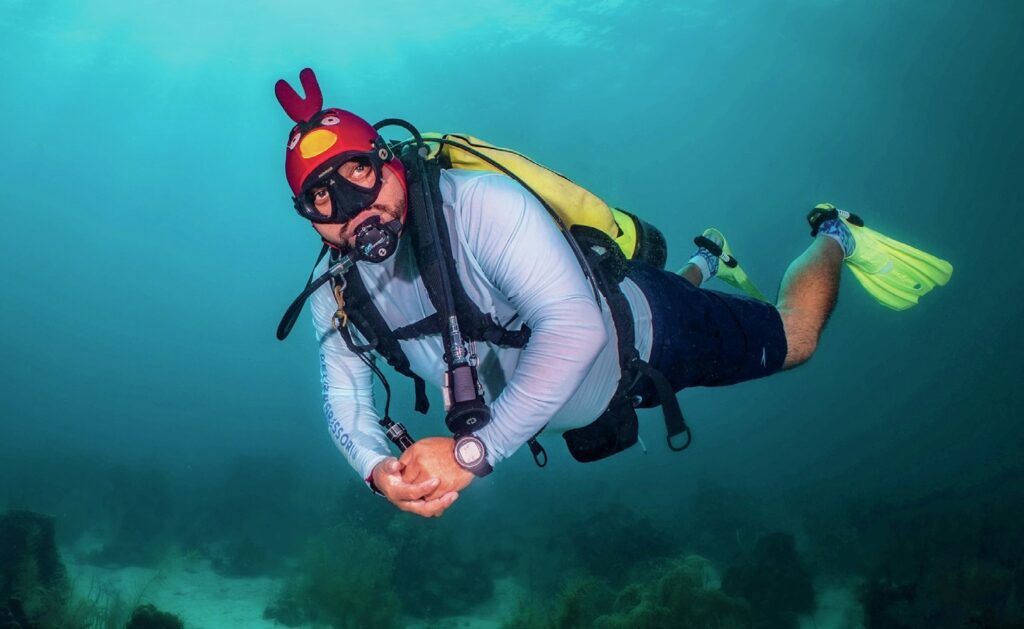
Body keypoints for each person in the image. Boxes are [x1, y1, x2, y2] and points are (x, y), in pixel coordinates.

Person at [273, 68, 953, 518]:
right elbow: (346, 399)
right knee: (663, 292)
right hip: (588, 392)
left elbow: (576, 329)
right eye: (321, 199)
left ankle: (834, 232)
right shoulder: (338, 292)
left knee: (796, 336)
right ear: (308, 219)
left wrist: (470, 454)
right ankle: (707, 257)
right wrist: (377, 470)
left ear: (389, 160)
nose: (352, 208)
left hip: (652, 336)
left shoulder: (477, 205)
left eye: (358, 172)